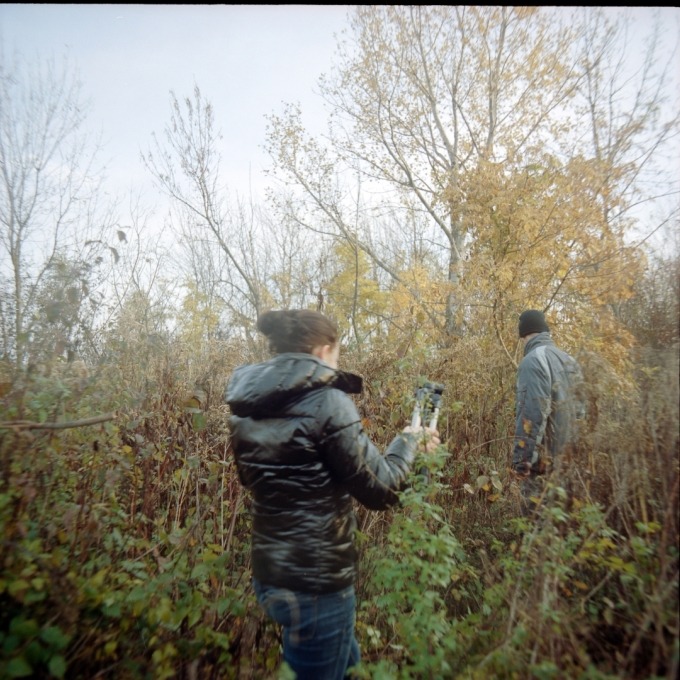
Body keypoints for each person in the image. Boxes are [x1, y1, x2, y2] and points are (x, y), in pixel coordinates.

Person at [225, 309, 439, 680]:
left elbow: (253, 480)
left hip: (271, 574)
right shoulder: (327, 402)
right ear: (324, 351)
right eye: (338, 352)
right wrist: (409, 443)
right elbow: (382, 490)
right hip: (317, 582)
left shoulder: (244, 407)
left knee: (344, 664)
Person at [511, 309, 585, 515]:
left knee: (534, 523)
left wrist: (522, 460)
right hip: (568, 461)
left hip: (542, 464)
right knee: (562, 523)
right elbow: (581, 413)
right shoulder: (570, 361)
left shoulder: (533, 360)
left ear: (524, 335)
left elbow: (532, 415)